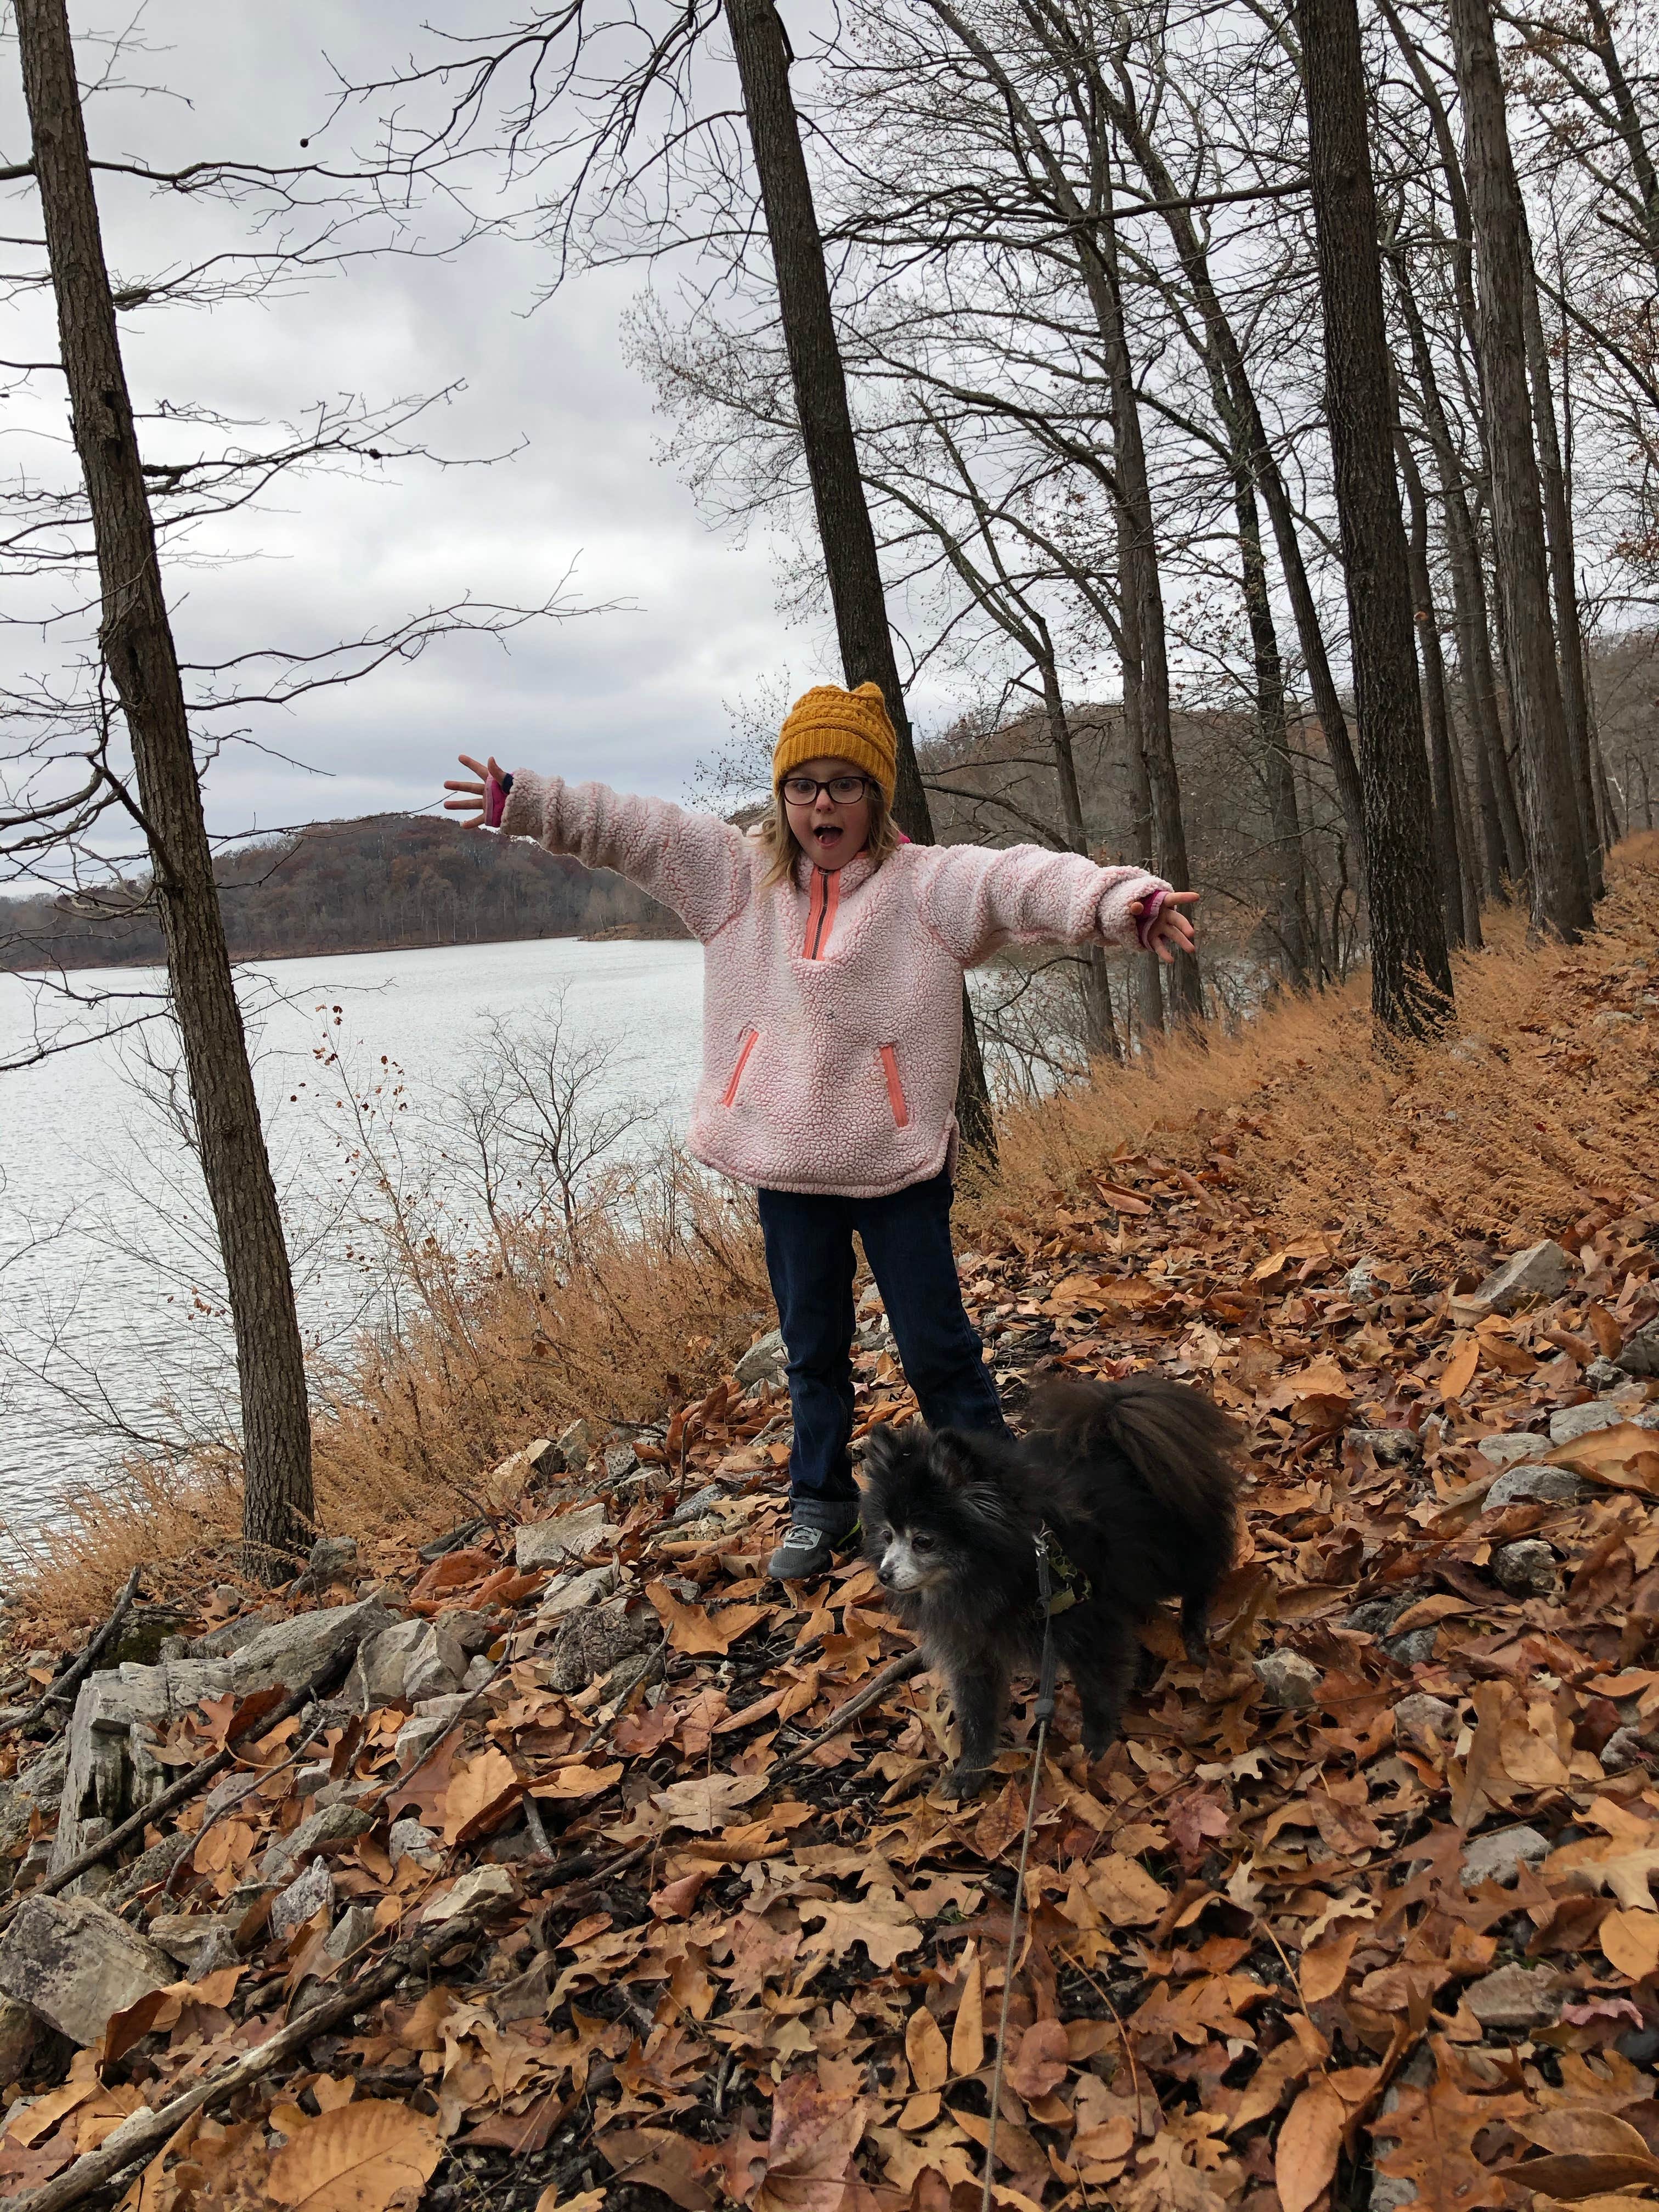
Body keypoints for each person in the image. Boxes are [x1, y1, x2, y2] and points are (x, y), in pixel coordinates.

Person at [446, 681, 1197, 1582]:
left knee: (936, 1345)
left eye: (845, 784)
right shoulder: (736, 876)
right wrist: (527, 803)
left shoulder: (929, 888)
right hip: (786, 1160)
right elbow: (635, 830)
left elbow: (1021, 881)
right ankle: (823, 1503)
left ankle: (1006, 1499)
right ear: (783, 796)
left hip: (896, 1165)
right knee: (813, 1348)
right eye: (804, 785)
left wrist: (1125, 903)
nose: (822, 804)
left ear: (876, 796)